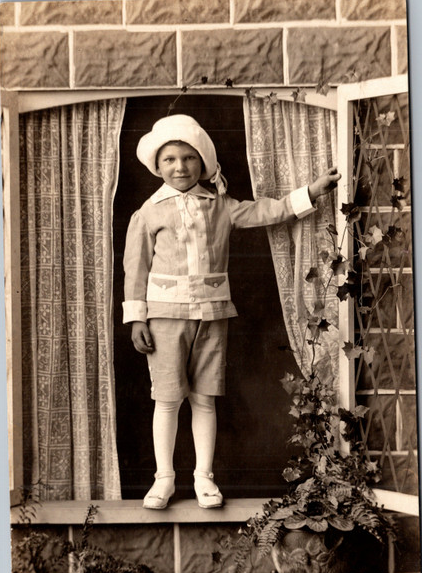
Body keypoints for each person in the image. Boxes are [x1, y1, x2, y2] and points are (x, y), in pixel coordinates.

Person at [123, 114, 340, 510]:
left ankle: (204, 478)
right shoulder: (148, 213)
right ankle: (163, 479)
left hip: (212, 314)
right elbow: (134, 269)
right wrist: (137, 317)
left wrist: (310, 191)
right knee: (168, 400)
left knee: (205, 399)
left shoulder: (219, 206)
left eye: (188, 158)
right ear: (158, 165)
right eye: (170, 159)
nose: (180, 167)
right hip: (165, 317)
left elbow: (265, 212)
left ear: (202, 162)